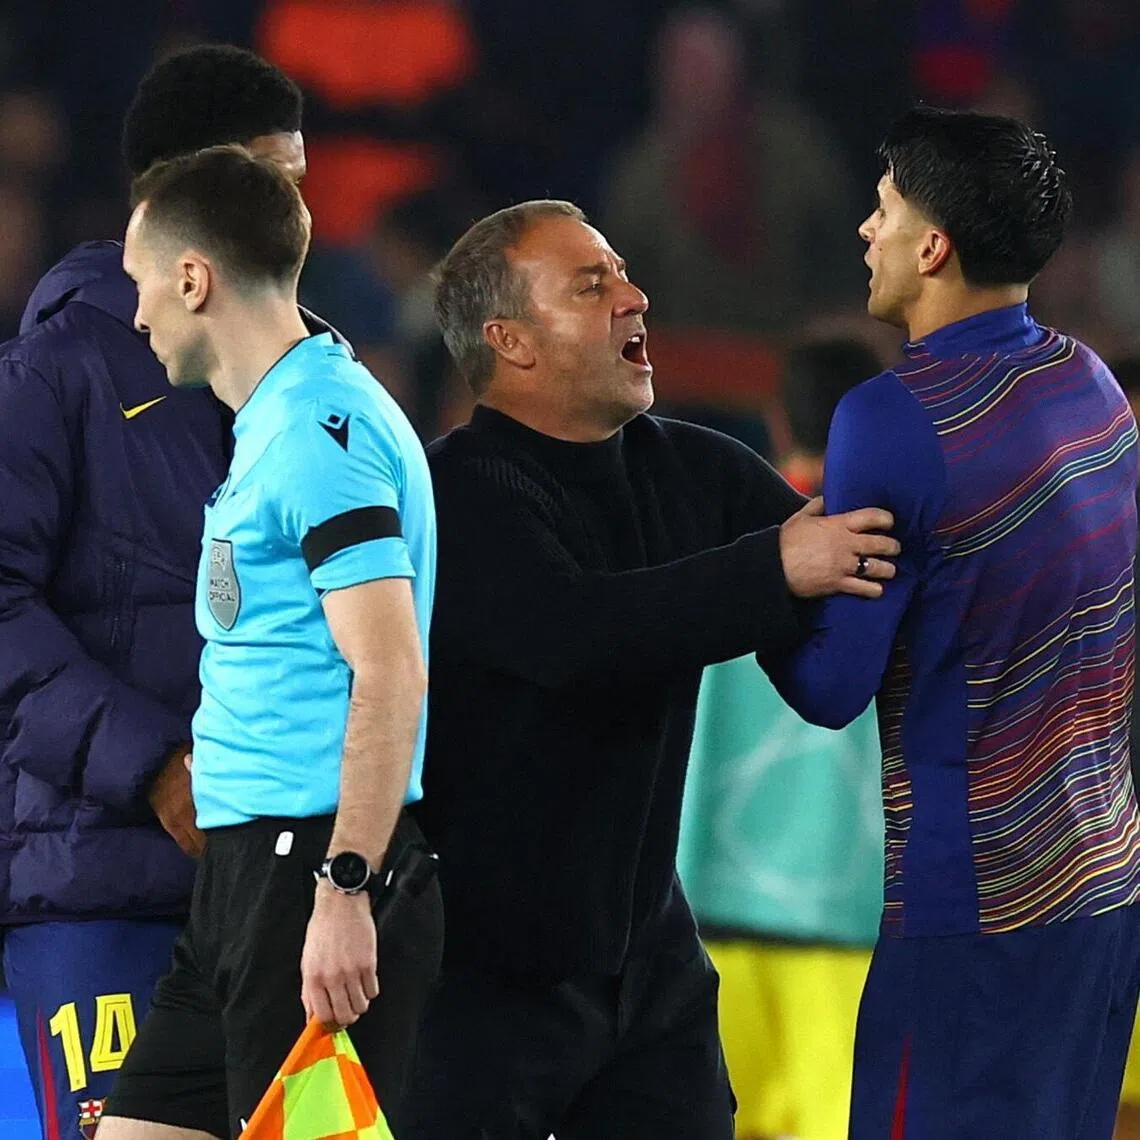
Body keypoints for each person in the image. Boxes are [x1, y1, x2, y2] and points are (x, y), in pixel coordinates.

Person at [397, 199, 900, 1140]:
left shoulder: (696, 468)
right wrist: (773, 570)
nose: (634, 297)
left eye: (624, 274)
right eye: (592, 285)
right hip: (477, 979)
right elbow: (572, 637)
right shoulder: (454, 492)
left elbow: (840, 584)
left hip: (652, 965)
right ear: (510, 340)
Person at [765, 107, 1140, 1138]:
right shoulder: (1093, 383)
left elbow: (830, 688)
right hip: (1105, 884)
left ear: (932, 247)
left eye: (883, 209)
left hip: (971, 906)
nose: (866, 230)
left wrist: (761, 574)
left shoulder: (888, 418)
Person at [0, 44, 318, 1140]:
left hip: (289, 888)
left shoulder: (318, 383)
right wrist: (154, 767)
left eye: (301, 185)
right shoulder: (54, 373)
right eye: (272, 182)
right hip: (106, 885)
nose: (300, 217)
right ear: (186, 195)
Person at [97, 146, 441, 1140]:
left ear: (192, 279)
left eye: (140, 282)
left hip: (311, 874)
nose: (136, 314)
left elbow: (390, 669)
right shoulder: (280, 418)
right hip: (243, 883)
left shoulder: (319, 436)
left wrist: (346, 886)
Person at [678, 337, 887, 1140]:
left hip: (706, 919)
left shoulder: (713, 545)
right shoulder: (910, 557)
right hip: (851, 919)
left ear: (776, 419)